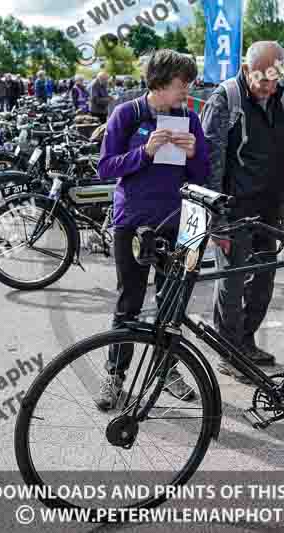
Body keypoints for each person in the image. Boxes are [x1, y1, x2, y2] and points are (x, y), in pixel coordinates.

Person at [94, 50, 211, 411]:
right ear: (159, 83)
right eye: (181, 85)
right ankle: (115, 375)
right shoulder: (126, 114)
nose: (186, 92)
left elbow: (203, 176)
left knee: (170, 303)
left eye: (189, 85)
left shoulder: (189, 118)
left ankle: (165, 369)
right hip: (132, 222)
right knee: (128, 302)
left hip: (177, 224)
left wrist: (195, 155)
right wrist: (144, 152)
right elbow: (105, 168)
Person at [201, 41, 284, 381]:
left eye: (275, 78)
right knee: (233, 282)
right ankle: (229, 350)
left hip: (268, 210)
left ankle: (246, 341)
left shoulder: (279, 96)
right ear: (244, 69)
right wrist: (217, 219)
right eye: (262, 79)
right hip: (234, 210)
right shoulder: (225, 100)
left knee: (263, 281)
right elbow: (212, 163)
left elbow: (282, 155)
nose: (269, 86)